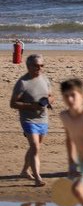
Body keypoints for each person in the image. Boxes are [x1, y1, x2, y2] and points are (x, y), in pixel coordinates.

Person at [10, 54, 52, 187]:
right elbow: (13, 103)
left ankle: (24, 171)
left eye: (41, 65)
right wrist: (31, 106)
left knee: (36, 147)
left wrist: (48, 101)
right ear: (28, 66)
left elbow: (51, 96)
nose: (39, 68)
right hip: (28, 119)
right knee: (35, 147)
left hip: (43, 118)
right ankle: (37, 178)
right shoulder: (22, 83)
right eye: (36, 66)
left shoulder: (44, 79)